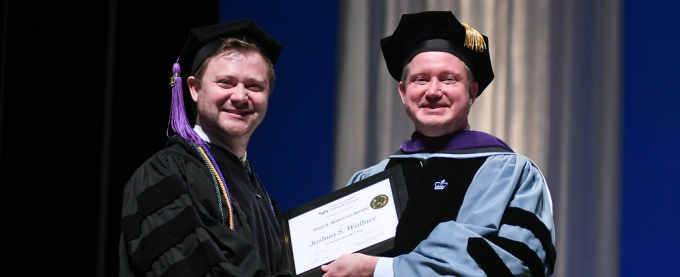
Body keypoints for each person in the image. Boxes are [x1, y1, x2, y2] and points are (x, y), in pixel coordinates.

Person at [321, 11, 556, 277]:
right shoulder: (371, 180)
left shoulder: (509, 174)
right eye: (420, 79)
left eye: (448, 79)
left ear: (472, 92)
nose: (432, 92)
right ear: (403, 92)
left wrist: (382, 269)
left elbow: (518, 264)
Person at [119, 18, 292, 277]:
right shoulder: (163, 176)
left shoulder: (263, 199)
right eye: (226, 83)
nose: (240, 96)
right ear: (195, 88)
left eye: (255, 86)